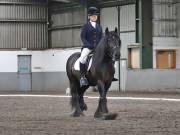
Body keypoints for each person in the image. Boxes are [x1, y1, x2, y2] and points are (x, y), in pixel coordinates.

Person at [79, 7, 102, 87]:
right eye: (93, 15)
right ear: (89, 16)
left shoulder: (99, 26)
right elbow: (82, 37)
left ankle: (108, 75)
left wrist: (100, 46)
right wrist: (88, 45)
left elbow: (101, 38)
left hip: (98, 48)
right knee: (82, 59)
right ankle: (82, 77)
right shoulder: (86, 26)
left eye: (96, 15)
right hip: (88, 47)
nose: (95, 17)